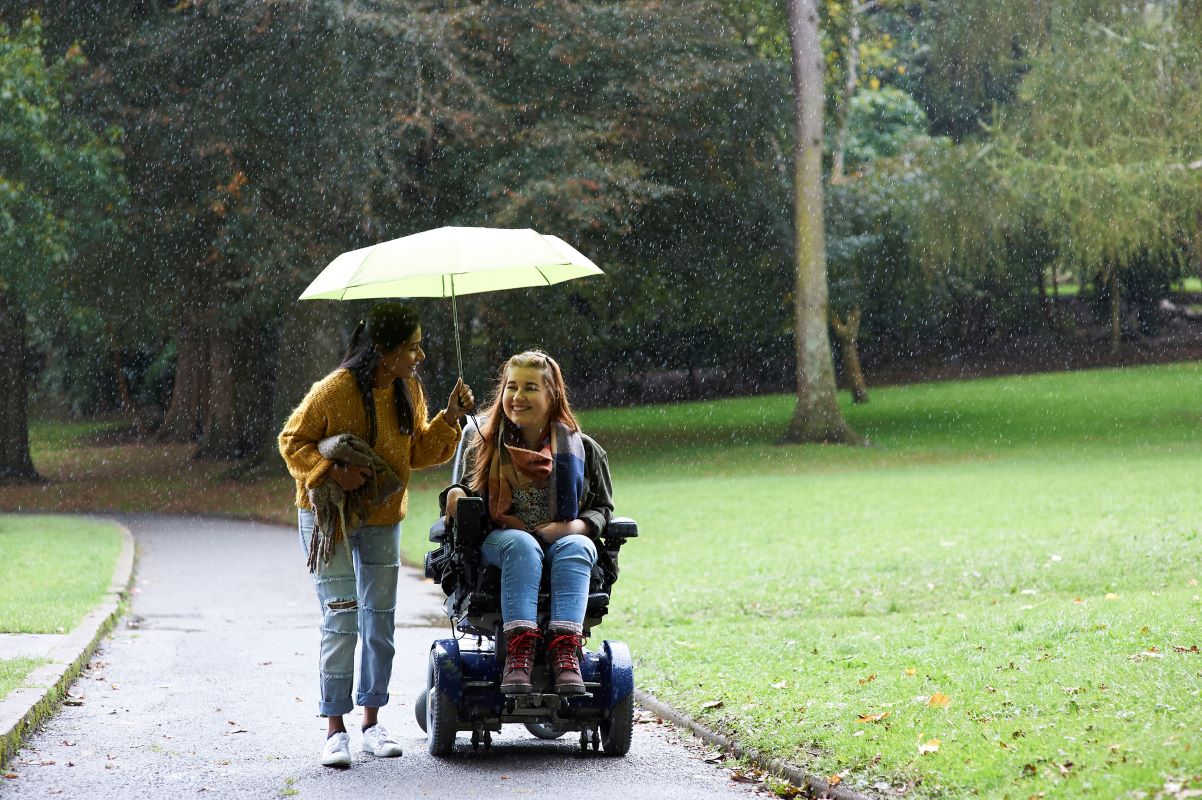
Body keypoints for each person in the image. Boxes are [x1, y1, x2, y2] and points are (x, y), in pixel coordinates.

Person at [279, 302, 474, 768]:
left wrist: (449, 419)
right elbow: (292, 441)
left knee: (380, 621)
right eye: (412, 347)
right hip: (330, 520)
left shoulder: (409, 389)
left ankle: (371, 722)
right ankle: (335, 729)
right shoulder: (334, 390)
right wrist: (330, 471)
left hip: (383, 517)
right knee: (342, 616)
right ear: (384, 350)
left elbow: (417, 452)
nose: (419, 356)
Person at [442, 350, 612, 696]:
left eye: (530, 388)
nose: (517, 397)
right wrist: (455, 495)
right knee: (522, 544)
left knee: (578, 545)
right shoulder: (481, 443)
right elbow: (463, 489)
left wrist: (570, 528)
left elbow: (602, 510)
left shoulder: (583, 449)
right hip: (500, 544)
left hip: (565, 541)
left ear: (553, 395)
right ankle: (519, 652)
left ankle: (565, 652)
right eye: (511, 387)